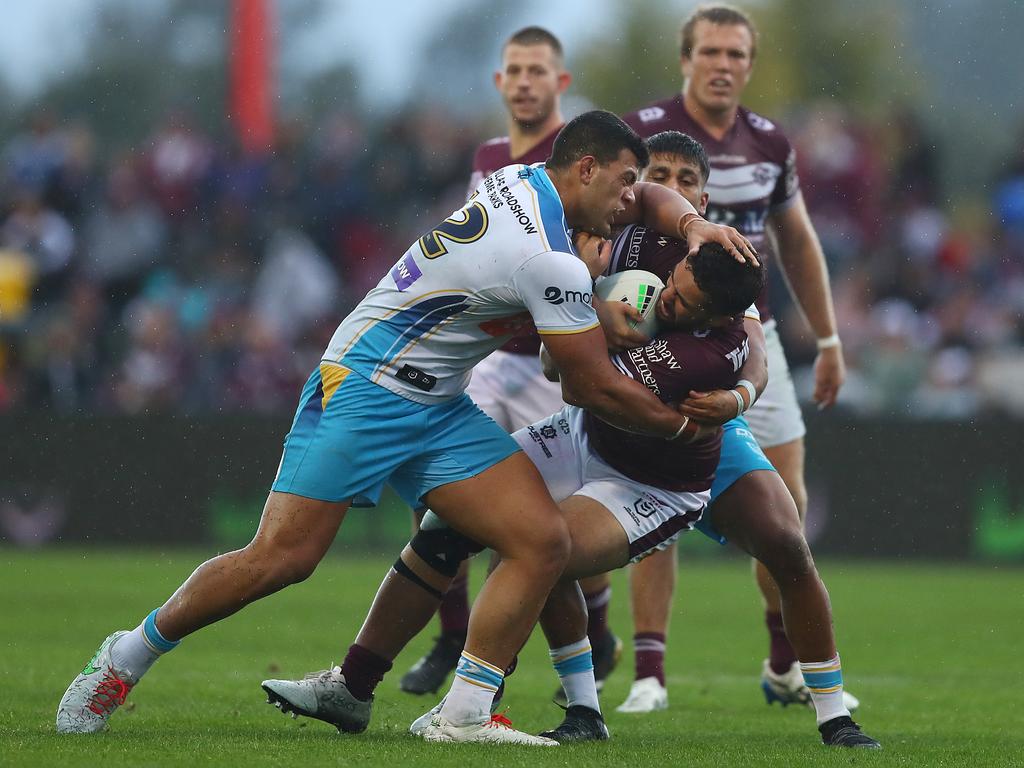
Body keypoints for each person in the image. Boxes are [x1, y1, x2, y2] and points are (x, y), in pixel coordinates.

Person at [56, 110, 755, 746]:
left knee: (540, 540)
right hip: (364, 388)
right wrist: (679, 425)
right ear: (586, 170)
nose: (633, 199)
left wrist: (693, 226)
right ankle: (126, 656)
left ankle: (459, 715)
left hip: (437, 405)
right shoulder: (550, 260)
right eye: (627, 182)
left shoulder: (521, 180)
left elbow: (645, 218)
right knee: (280, 560)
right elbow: (586, 383)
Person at [262, 133, 879, 749]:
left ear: (704, 195)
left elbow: (742, 357)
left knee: (783, 542)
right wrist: (585, 300)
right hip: (592, 429)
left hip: (675, 455)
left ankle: (833, 715)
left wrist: (736, 398)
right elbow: (569, 377)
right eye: (655, 176)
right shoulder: (625, 231)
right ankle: (359, 684)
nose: (665, 189)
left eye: (684, 180)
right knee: (467, 533)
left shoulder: (725, 267)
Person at [621, 4, 854, 709]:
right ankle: (649, 676)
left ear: (750, 64)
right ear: (686, 58)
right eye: (711, 51)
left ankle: (785, 660)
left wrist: (831, 337)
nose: (723, 64)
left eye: (736, 54)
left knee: (787, 498)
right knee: (650, 494)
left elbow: (798, 238)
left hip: (750, 333)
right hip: (656, 330)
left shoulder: (769, 143)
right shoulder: (644, 128)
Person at [400, 26, 620, 699]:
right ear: (500, 83)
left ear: (560, 82)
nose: (524, 81)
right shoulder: (491, 154)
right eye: (514, 70)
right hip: (497, 357)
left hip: (558, 357)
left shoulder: (578, 155)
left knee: (552, 521)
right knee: (446, 491)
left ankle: (598, 633)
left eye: (537, 71)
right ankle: (454, 639)